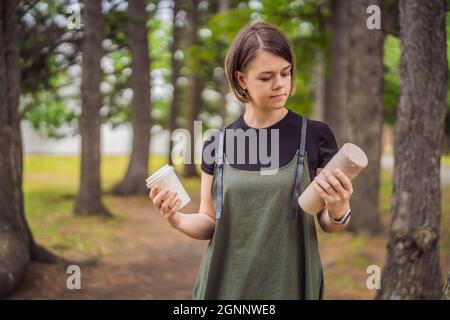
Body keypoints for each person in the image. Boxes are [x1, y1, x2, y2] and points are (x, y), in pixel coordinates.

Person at [149, 21, 353, 300]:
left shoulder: (315, 136)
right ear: (241, 79)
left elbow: (328, 223)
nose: (280, 84)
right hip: (224, 288)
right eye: (266, 77)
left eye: (286, 72)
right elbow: (209, 221)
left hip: (289, 286)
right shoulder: (216, 144)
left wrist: (339, 208)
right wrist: (176, 219)